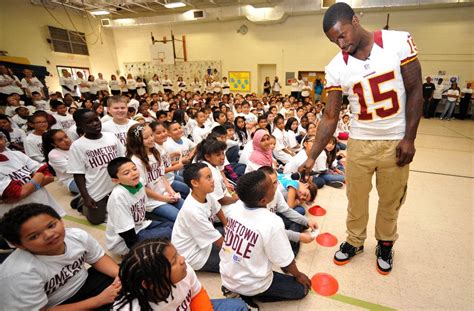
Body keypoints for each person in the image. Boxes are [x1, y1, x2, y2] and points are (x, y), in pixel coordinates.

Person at [304, 2, 423, 275]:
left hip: (395, 139)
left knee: (390, 199)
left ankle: (385, 242)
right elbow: (331, 116)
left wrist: (409, 138)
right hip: (359, 142)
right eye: (334, 41)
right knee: (355, 198)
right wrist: (312, 156)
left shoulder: (398, 42)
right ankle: (355, 240)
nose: (340, 43)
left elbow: (416, 91)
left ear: (355, 21)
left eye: (342, 35)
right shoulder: (336, 67)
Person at [0, 203, 120, 309]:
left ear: (61, 221)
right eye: (34, 236)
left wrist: (121, 276)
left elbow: (98, 259)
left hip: (86, 282)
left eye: (51, 225)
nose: (49, 235)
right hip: (59, 304)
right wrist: (98, 301)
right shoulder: (20, 273)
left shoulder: (77, 236)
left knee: (133, 271)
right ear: (19, 245)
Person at [219, 170, 311, 305]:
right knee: (300, 289)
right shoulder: (272, 222)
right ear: (264, 200)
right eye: (271, 186)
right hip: (251, 283)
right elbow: (285, 263)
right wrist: (298, 275)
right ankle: (248, 296)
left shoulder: (236, 207)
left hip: (227, 274)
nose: (276, 186)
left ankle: (234, 290)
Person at [113, 239, 247, 311]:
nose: (182, 259)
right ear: (149, 284)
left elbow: (196, 293)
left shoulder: (185, 270)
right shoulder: (133, 308)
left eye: (177, 254)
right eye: (173, 261)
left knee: (239, 306)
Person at [105, 157, 173, 256]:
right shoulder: (118, 197)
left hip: (140, 225)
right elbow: (126, 234)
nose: (134, 173)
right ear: (116, 180)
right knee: (168, 232)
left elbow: (143, 208)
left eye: (134, 169)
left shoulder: (139, 182)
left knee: (172, 225)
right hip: (123, 241)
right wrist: (136, 254)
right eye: (126, 173)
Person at [68, 109, 125, 225]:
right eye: (89, 122)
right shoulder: (77, 146)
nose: (95, 124)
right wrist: (86, 196)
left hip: (115, 185)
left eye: (96, 119)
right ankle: (81, 202)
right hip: (96, 188)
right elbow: (78, 174)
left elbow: (122, 160)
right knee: (96, 220)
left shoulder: (111, 137)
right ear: (80, 125)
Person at [172, 163, 227, 273]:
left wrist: (227, 225)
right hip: (193, 255)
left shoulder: (205, 193)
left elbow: (218, 209)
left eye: (211, 176)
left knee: (234, 236)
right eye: (208, 178)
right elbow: (219, 242)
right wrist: (234, 252)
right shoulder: (193, 211)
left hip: (203, 243)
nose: (213, 180)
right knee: (235, 262)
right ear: (194, 183)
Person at [127, 124, 184, 222]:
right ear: (137, 141)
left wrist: (171, 192)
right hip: (152, 201)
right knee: (179, 218)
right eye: (146, 138)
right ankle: (150, 216)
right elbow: (143, 187)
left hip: (165, 194)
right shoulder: (136, 161)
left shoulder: (155, 152)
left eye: (151, 135)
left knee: (186, 210)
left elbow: (161, 175)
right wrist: (164, 199)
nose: (151, 139)